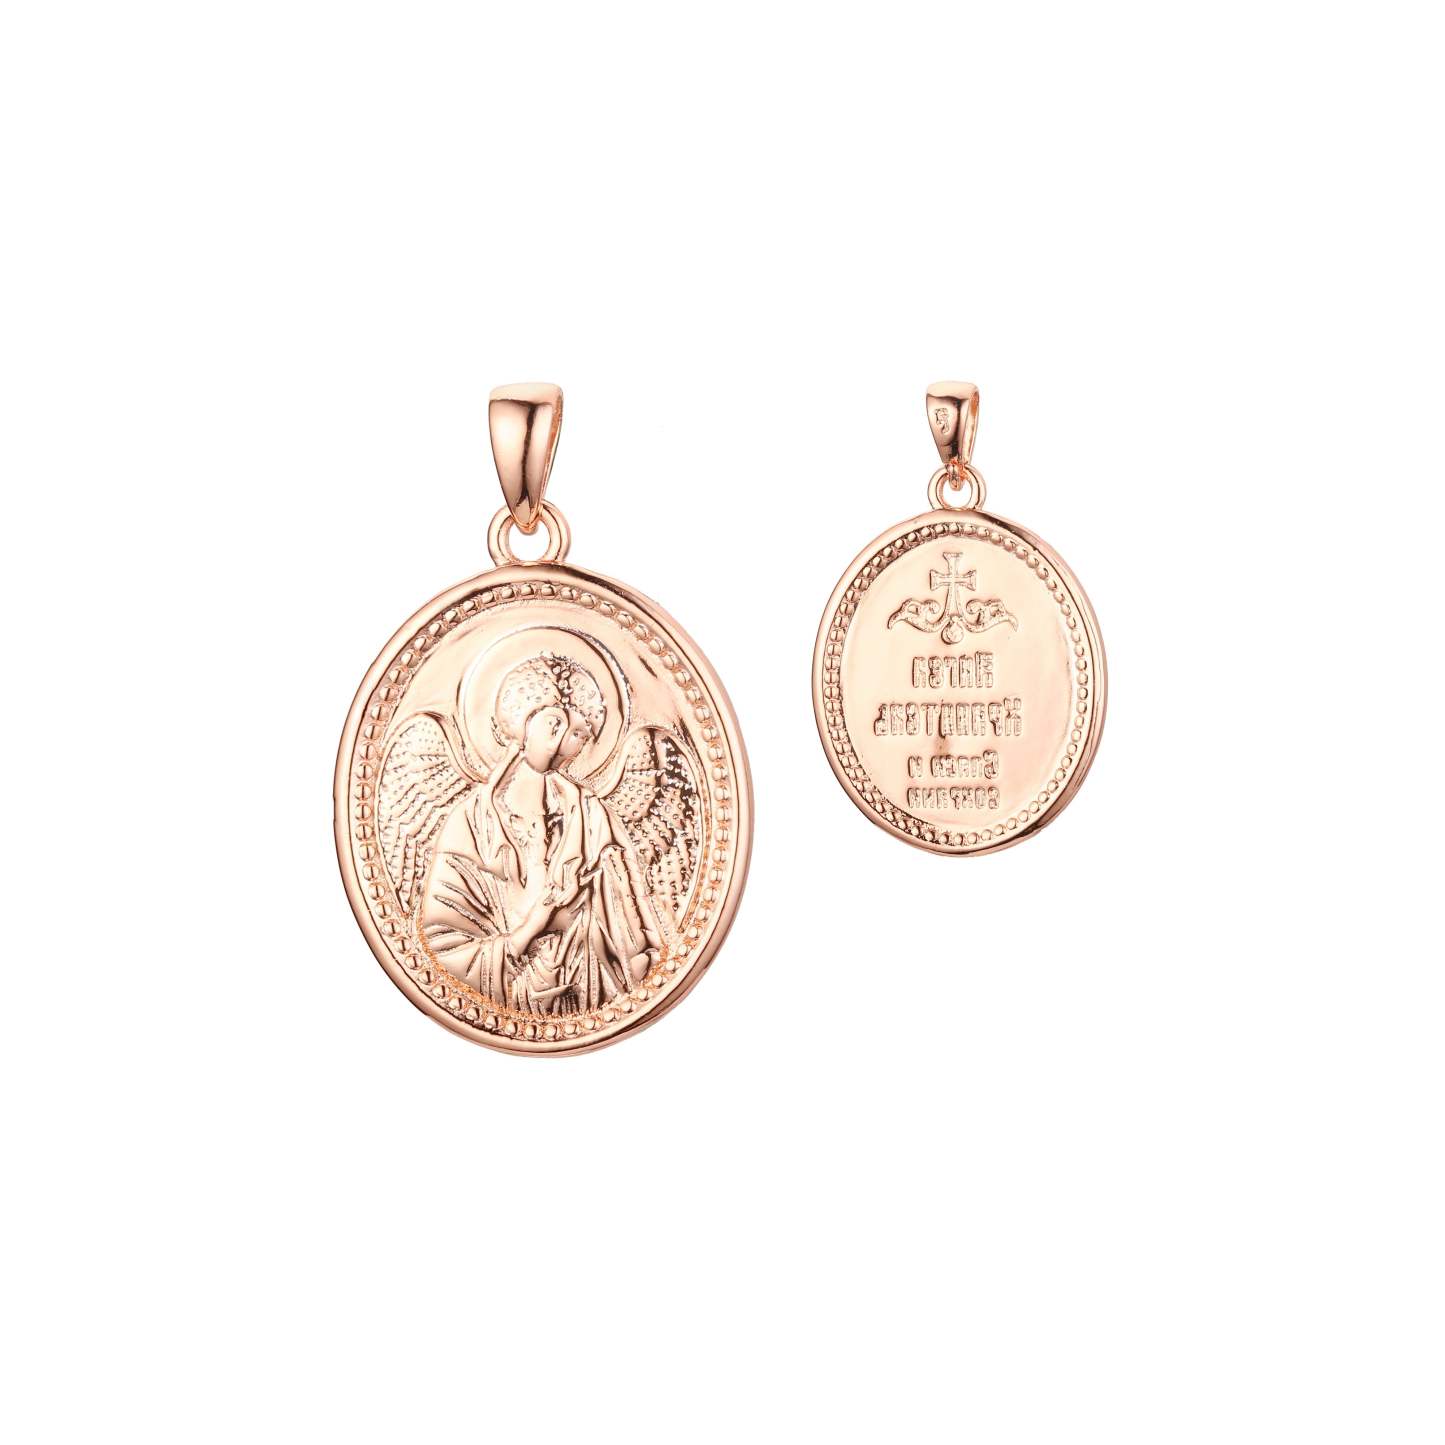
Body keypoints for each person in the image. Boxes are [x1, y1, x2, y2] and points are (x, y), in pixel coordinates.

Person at [419, 655, 660, 1013]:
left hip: (586, 992)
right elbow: (444, 953)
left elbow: (633, 936)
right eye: (556, 723)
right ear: (524, 722)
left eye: (581, 732)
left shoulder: (591, 816)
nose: (569, 742)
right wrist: (534, 926)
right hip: (510, 993)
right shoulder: (472, 823)